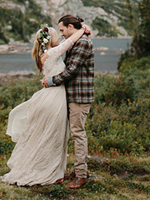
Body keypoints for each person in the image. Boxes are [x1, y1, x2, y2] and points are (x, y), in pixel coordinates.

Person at [1, 22, 90, 186]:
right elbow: (69, 42)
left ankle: (51, 169)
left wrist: (81, 26)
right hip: (54, 99)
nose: (61, 37)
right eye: (58, 35)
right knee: (54, 135)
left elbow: (67, 42)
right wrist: (83, 29)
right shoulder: (52, 53)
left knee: (48, 135)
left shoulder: (47, 53)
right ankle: (50, 172)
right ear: (50, 40)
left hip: (50, 97)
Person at [42, 14, 94, 189]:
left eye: (63, 30)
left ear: (71, 27)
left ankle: (81, 175)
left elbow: (71, 70)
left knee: (78, 133)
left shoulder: (83, 43)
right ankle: (80, 170)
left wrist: (50, 81)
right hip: (73, 95)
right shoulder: (77, 40)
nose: (62, 34)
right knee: (74, 133)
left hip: (80, 96)